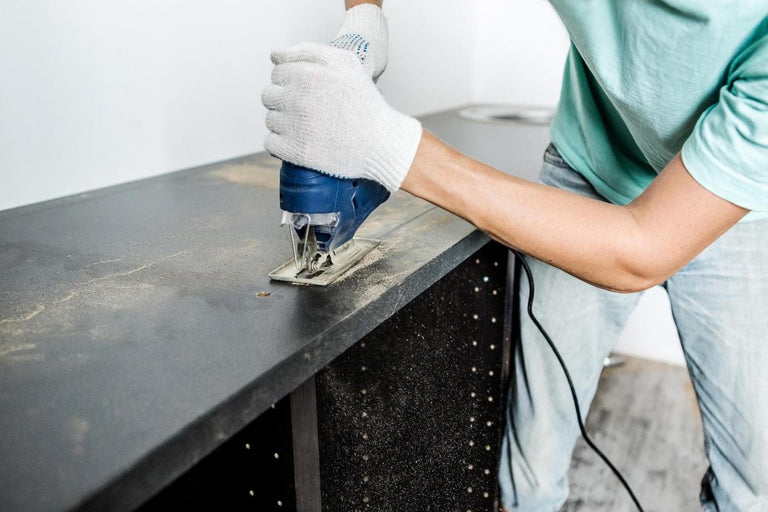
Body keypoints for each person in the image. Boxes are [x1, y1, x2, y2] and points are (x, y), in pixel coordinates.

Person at [262, 1, 768, 510]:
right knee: (534, 455)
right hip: (591, 170)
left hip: (739, 207)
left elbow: (642, 249)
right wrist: (365, 21)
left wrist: (388, 146)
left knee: (752, 479)